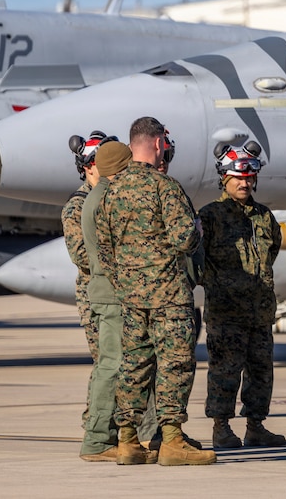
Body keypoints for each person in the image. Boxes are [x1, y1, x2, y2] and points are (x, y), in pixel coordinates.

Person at [95, 116, 216, 467]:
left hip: (131, 298)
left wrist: (127, 284)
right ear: (160, 143)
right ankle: (173, 441)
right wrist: (196, 232)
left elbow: (104, 252)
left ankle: (128, 440)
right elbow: (185, 239)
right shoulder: (165, 187)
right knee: (175, 365)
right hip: (168, 297)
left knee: (135, 365)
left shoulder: (110, 192)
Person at [199, 142, 285, 450]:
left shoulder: (264, 217)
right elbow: (198, 259)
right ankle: (221, 428)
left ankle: (256, 426)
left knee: (261, 371)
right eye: (238, 177)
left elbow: (271, 249)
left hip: (259, 311)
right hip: (225, 312)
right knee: (225, 372)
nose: (244, 183)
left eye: (249, 177)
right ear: (224, 178)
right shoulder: (210, 216)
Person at [64, 131, 113, 366]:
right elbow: (81, 255)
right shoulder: (77, 207)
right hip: (95, 302)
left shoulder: (114, 199)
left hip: (119, 297)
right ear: (89, 167)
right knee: (106, 368)